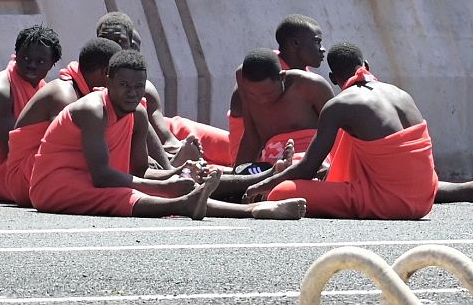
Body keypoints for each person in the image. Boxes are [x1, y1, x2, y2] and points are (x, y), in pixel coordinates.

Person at [27, 50, 306, 220]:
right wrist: (168, 187)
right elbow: (102, 176)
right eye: (123, 85)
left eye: (138, 86)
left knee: (187, 179)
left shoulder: (137, 113)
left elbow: (139, 171)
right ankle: (185, 204)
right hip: (55, 185)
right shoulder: (92, 109)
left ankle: (261, 187)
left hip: (99, 180)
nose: (132, 92)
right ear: (107, 81)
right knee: (124, 194)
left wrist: (177, 173)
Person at [245, 44, 473, 218]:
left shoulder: (338, 105)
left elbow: (306, 170)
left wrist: (263, 184)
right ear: (367, 64)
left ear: (334, 80)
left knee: (283, 191)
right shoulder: (401, 94)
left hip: (391, 203)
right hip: (425, 198)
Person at [0, 37, 124, 206]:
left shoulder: (87, 93)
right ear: (106, 72)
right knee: (114, 190)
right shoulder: (64, 95)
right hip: (28, 178)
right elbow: (66, 149)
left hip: (47, 168)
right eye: (120, 77)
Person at [94, 13, 233, 165]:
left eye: (120, 41)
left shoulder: (146, 90)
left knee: (229, 146)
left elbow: (166, 137)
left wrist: (180, 148)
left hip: (166, 129)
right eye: (106, 40)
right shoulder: (88, 83)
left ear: (132, 47)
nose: (114, 47)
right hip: (132, 144)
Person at [0, 25, 62, 202]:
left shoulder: (43, 89)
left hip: (24, 165)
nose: (31, 65)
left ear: (52, 64)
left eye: (40, 61)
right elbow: (13, 150)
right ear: (15, 55)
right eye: (26, 58)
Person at [224, 14, 328, 156]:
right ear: (295, 43)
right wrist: (241, 171)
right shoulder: (258, 73)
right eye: (317, 42)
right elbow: (250, 137)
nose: (322, 49)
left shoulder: (311, 83)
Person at [231, 49, 336, 170]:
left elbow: (339, 133)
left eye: (268, 93)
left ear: (282, 77)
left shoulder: (311, 86)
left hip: (314, 163)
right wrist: (236, 177)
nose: (262, 101)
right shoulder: (244, 82)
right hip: (271, 168)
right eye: (254, 96)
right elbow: (251, 139)